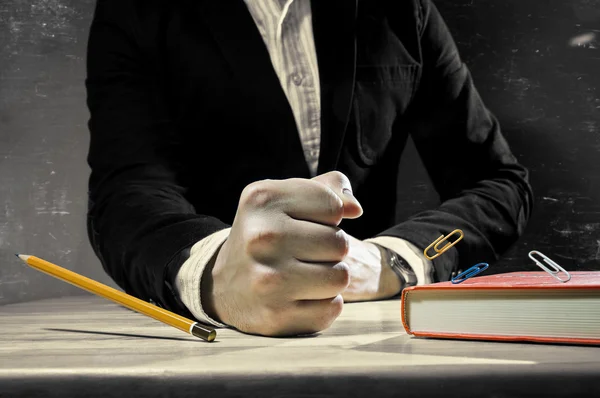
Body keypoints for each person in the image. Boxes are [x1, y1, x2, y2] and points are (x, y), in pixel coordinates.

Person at [85, 0, 533, 336]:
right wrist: (212, 272)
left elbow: (497, 183)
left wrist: (394, 259)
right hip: (206, 342)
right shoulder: (137, 8)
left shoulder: (402, 7)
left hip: (374, 335)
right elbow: (125, 190)